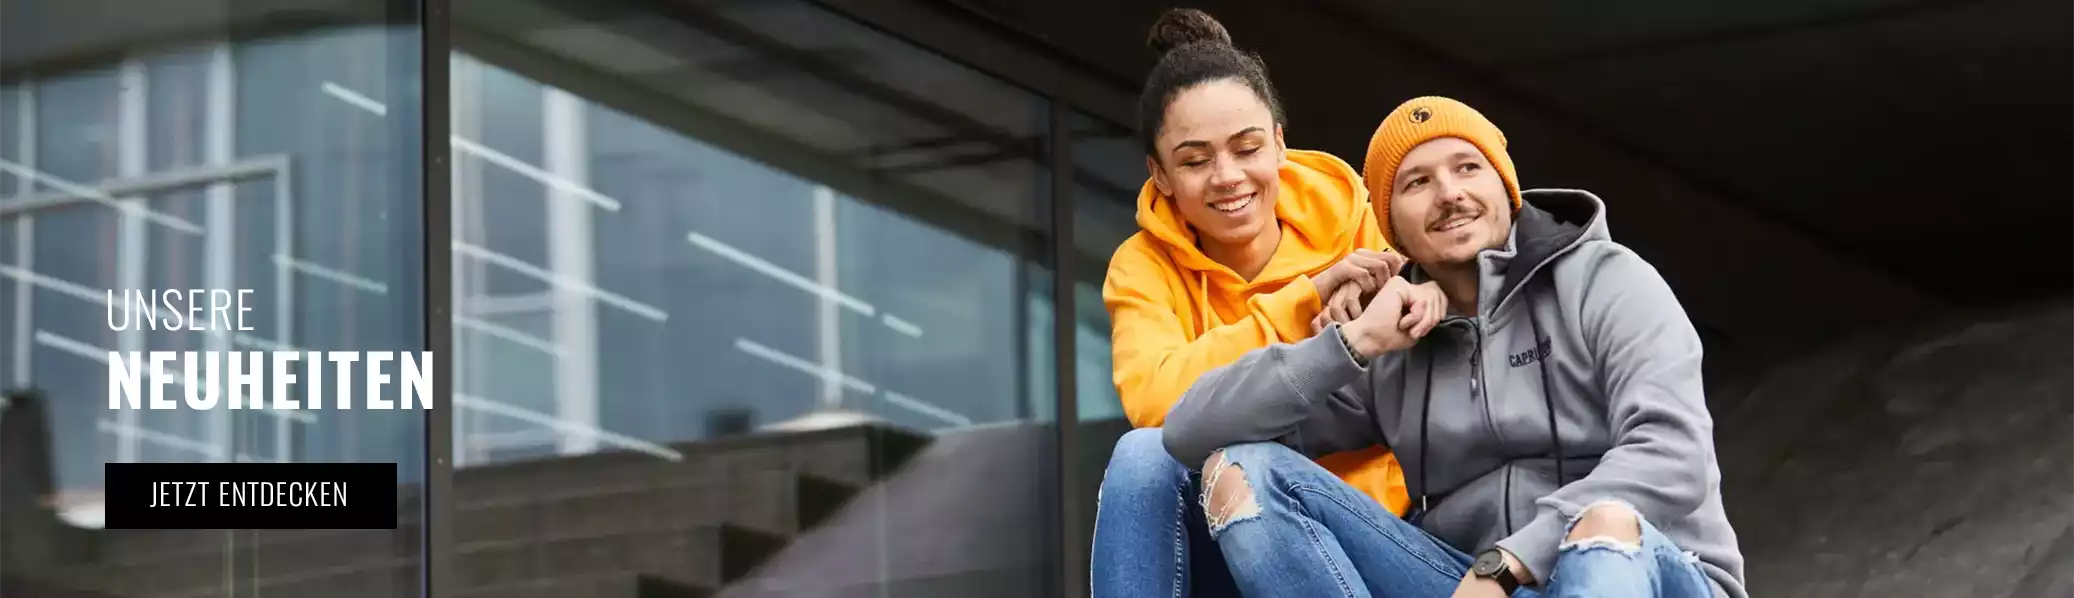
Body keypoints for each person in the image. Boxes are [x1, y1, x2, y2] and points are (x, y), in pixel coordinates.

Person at [1161, 96, 1749, 598]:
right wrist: (1353, 342)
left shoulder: (1607, 279)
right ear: (1390, 223)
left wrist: (1510, 562)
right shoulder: (1394, 335)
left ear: (1505, 186)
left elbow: (1671, 449)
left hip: (1642, 571)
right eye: (1417, 183)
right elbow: (1188, 433)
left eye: (1467, 168)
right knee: (1248, 470)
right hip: (1465, 581)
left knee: (1604, 527)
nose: (1449, 194)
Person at [1091, 9, 1425, 597]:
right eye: (1195, 161)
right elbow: (1157, 405)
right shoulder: (1143, 265)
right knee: (1143, 455)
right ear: (1160, 175)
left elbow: (1423, 367)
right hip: (1220, 533)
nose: (1227, 177)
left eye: (1246, 148)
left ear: (1278, 142)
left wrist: (1362, 314)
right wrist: (1306, 299)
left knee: (1255, 468)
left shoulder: (1359, 226)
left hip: (1364, 522)